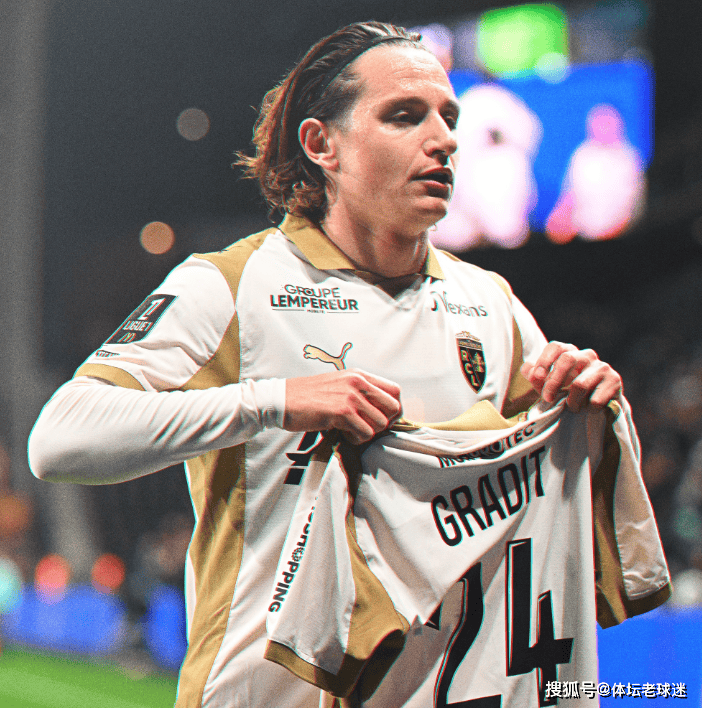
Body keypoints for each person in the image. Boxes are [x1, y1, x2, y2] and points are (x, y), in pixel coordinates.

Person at [28, 21, 623, 708]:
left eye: (449, 117)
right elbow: (59, 439)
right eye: (405, 116)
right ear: (321, 144)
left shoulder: (490, 303)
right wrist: (275, 401)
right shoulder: (230, 284)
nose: (443, 139)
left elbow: (541, 490)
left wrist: (584, 397)